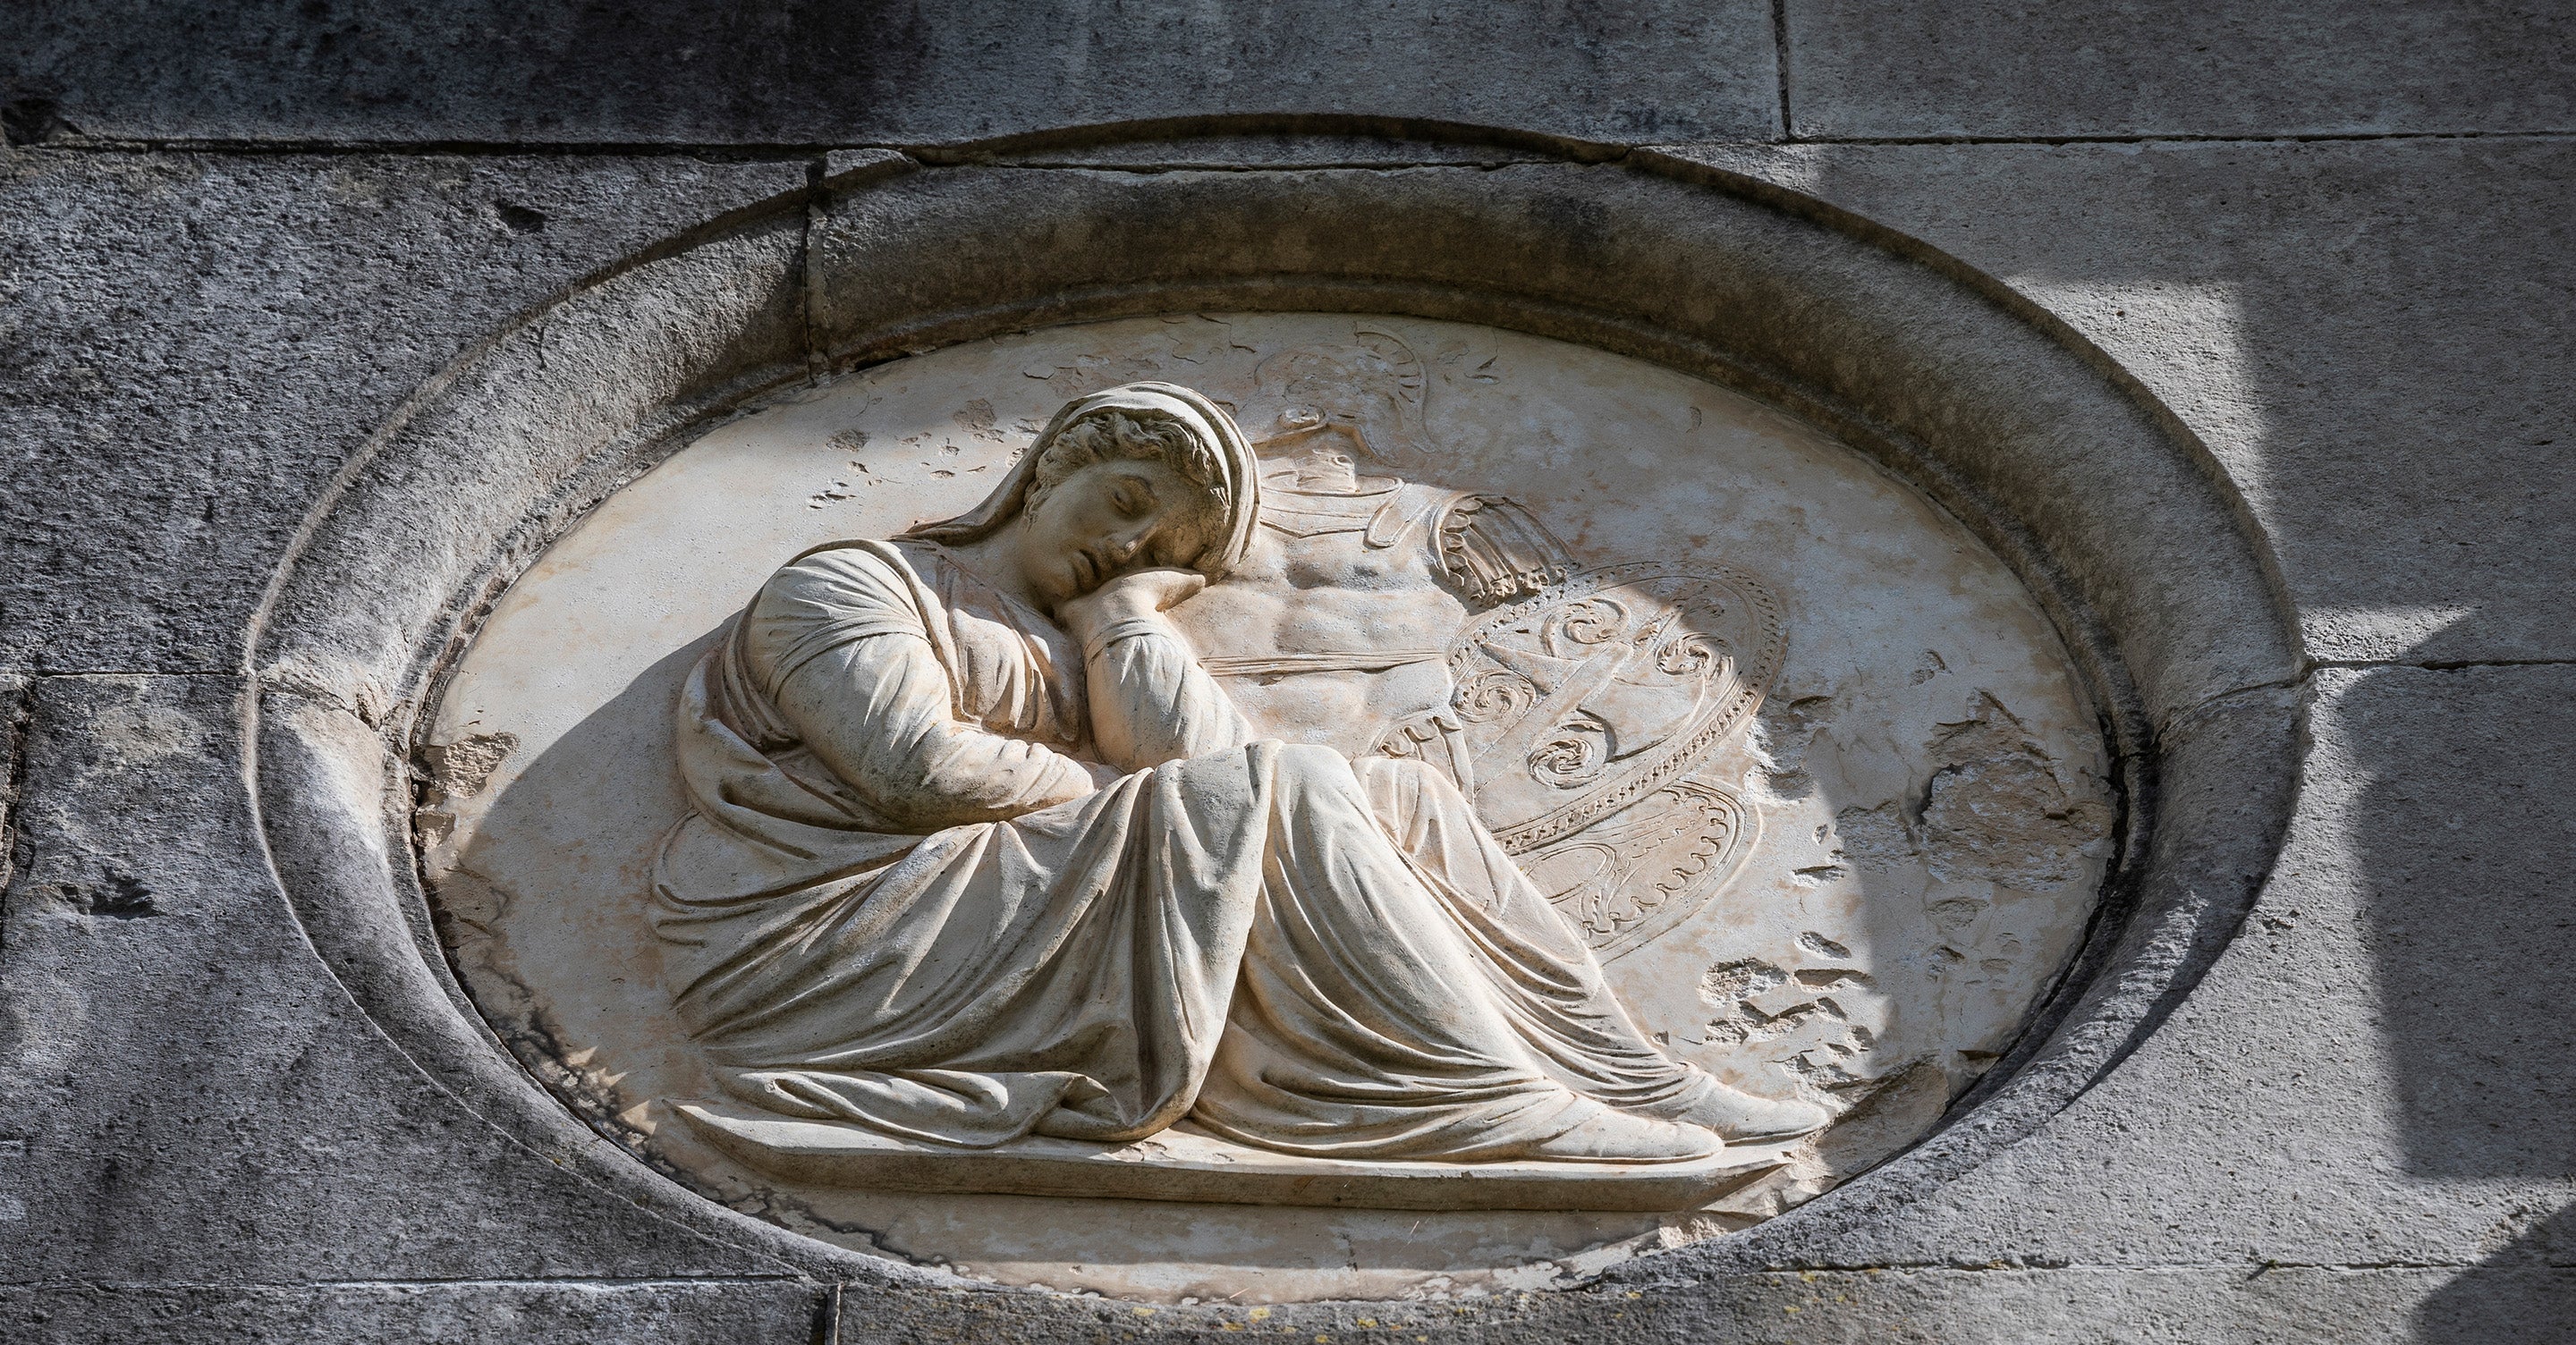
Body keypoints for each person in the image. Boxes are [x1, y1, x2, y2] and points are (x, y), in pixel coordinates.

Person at [652, 382, 1812, 1164]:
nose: (1135, 541)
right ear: (1050, 466)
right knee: (1282, 789)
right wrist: (1127, 796)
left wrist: (1125, 619)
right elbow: (911, 768)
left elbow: (1206, 772)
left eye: (1169, 548)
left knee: (1395, 793)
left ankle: (1614, 1071)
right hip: (824, 930)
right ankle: (1479, 1101)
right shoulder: (854, 583)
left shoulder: (1079, 644)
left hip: (984, 907)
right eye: (1125, 506)